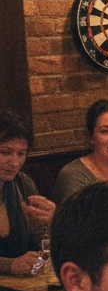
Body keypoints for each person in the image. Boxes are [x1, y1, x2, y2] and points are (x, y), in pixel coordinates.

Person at [0, 109, 54, 277]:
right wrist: (10, 265)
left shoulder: (23, 184)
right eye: (5, 152)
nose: (15, 162)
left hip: (18, 290)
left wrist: (53, 221)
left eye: (21, 154)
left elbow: (43, 246)